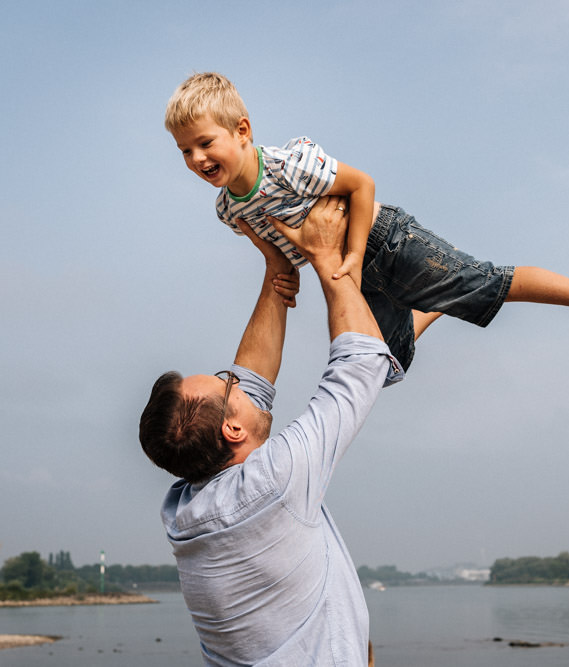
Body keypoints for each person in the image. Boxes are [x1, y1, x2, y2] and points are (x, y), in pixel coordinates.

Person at [165, 72, 569, 371]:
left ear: (242, 131)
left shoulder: (288, 164)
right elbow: (274, 251)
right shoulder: (229, 209)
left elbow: (362, 187)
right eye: (185, 151)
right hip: (345, 279)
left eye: (205, 143)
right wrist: (282, 274)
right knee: (380, 368)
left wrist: (356, 256)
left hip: (384, 243)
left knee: (487, 282)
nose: (196, 159)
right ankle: (432, 303)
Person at [139, 195, 398, 666]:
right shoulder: (273, 482)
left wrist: (275, 269)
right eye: (226, 384)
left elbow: (251, 381)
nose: (235, 378)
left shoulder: (185, 508)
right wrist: (325, 262)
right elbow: (359, 364)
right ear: (234, 429)